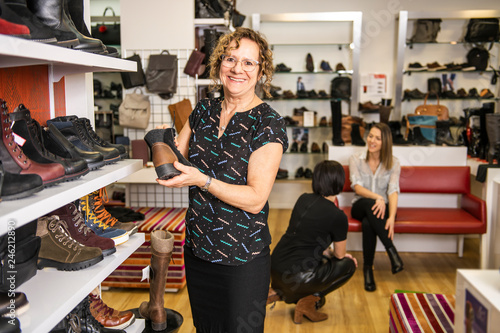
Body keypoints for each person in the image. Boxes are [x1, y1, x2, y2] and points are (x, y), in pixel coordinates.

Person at [156, 27, 288, 332]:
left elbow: (256, 199)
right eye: (230, 59)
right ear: (219, 64)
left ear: (261, 71)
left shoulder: (268, 123)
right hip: (199, 249)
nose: (237, 68)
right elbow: (176, 163)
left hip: (242, 257)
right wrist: (161, 143)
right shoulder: (202, 111)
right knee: (206, 327)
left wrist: (203, 180)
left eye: (248, 62)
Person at [268, 160, 357, 324]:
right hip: (297, 275)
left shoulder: (303, 199)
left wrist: (328, 253)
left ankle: (280, 292)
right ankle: (307, 302)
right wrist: (345, 257)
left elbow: (308, 240)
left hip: (275, 266)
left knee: (320, 261)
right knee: (349, 265)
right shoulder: (338, 216)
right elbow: (339, 255)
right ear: (340, 182)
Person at [348, 122, 404, 292]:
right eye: (370, 136)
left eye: (377, 138)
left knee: (368, 223)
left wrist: (392, 218)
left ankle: (367, 269)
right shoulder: (356, 159)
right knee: (370, 206)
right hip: (359, 205)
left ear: (385, 142)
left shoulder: (394, 163)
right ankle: (392, 252)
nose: (372, 140)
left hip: (379, 211)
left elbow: (393, 191)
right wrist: (378, 197)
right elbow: (357, 187)